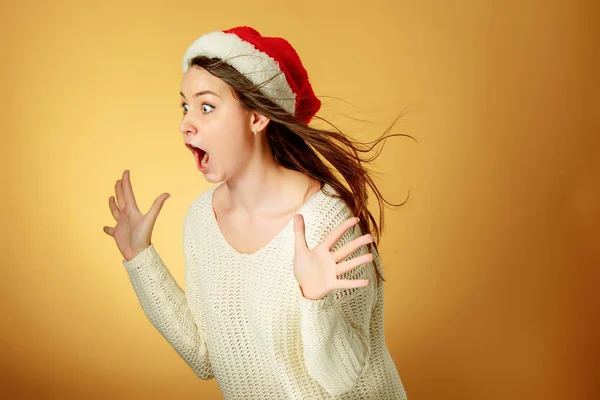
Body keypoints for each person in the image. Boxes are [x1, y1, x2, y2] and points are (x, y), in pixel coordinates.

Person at [103, 26, 409, 399]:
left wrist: (315, 300)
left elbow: (343, 379)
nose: (186, 123)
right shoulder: (202, 219)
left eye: (206, 106)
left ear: (257, 118)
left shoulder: (326, 221)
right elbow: (205, 357)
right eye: (185, 106)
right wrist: (140, 258)